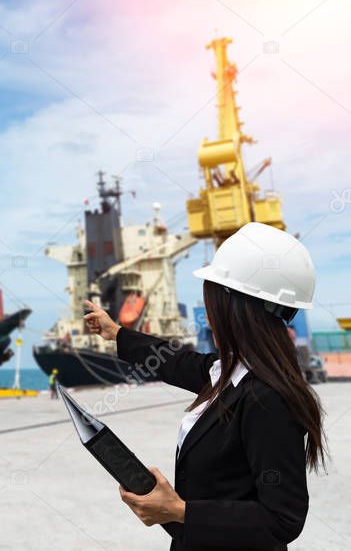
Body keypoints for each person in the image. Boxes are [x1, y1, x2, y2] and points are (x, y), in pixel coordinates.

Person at [83, 222, 325, 550]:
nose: (206, 311)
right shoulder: (226, 372)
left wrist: (180, 511)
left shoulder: (267, 399)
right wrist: (117, 334)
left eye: (209, 295)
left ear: (232, 304)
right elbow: (172, 361)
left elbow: (283, 519)